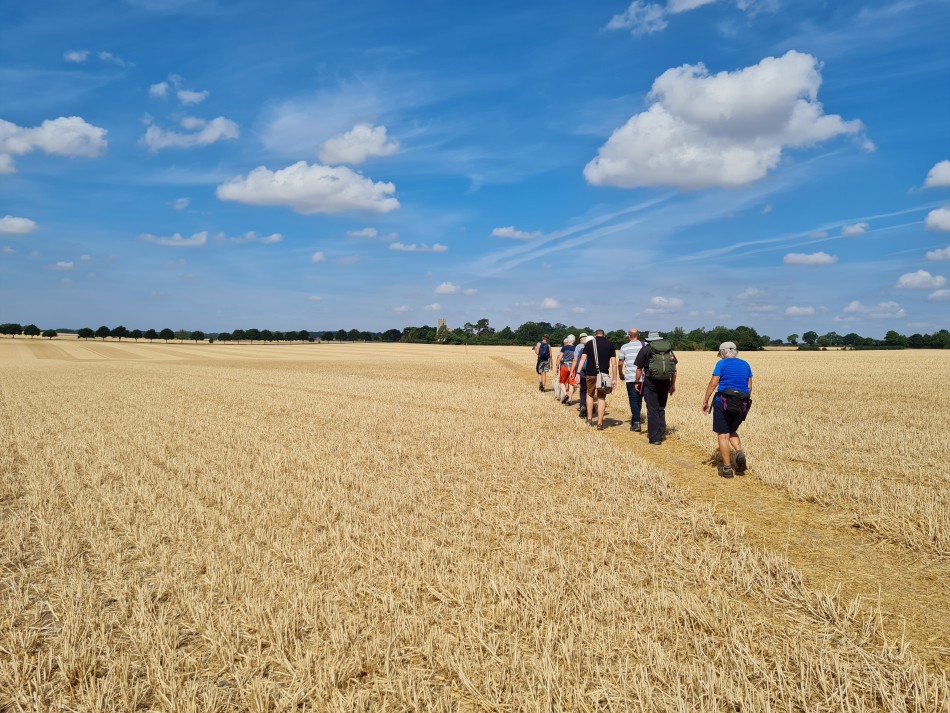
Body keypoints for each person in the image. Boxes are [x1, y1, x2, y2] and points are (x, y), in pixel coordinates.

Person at [702, 341, 753, 478]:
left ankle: (727, 468)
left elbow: (713, 384)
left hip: (723, 402)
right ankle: (739, 451)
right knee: (732, 430)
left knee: (723, 434)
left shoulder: (722, 364)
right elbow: (749, 387)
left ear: (723, 352)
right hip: (741, 404)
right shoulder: (745, 364)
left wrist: (706, 401)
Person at [634, 330, 677, 445]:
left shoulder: (645, 349)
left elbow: (639, 369)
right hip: (665, 382)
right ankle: (661, 433)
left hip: (650, 382)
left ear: (649, 340)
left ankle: (655, 437)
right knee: (661, 408)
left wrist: (637, 382)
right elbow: (674, 370)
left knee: (652, 409)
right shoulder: (668, 350)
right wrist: (672, 385)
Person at [575, 329, 618, 430]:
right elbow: (614, 363)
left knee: (590, 395)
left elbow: (583, 359)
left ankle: (589, 420)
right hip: (603, 375)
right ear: (604, 335)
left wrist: (578, 372)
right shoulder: (610, 344)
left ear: (595, 335)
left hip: (590, 374)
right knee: (601, 398)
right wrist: (614, 378)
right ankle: (600, 423)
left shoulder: (589, 343)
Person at [618, 328, 646, 432]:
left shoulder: (624, 347)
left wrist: (620, 373)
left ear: (629, 336)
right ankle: (635, 419)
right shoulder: (645, 345)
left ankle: (637, 422)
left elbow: (620, 363)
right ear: (638, 335)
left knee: (633, 399)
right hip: (644, 377)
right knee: (639, 399)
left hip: (631, 377)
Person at [570, 333, 590, 418]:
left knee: (583, 390)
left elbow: (575, 360)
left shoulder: (579, 348)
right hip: (593, 373)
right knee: (591, 391)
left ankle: (582, 405)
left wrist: (574, 371)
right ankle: (590, 408)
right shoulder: (595, 349)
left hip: (582, 372)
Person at [554, 334, 577, 404]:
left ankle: (565, 394)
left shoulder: (564, 348)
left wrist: (557, 367)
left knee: (561, 382)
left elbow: (560, 358)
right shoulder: (576, 348)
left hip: (564, 366)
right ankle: (570, 399)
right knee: (571, 384)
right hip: (572, 367)